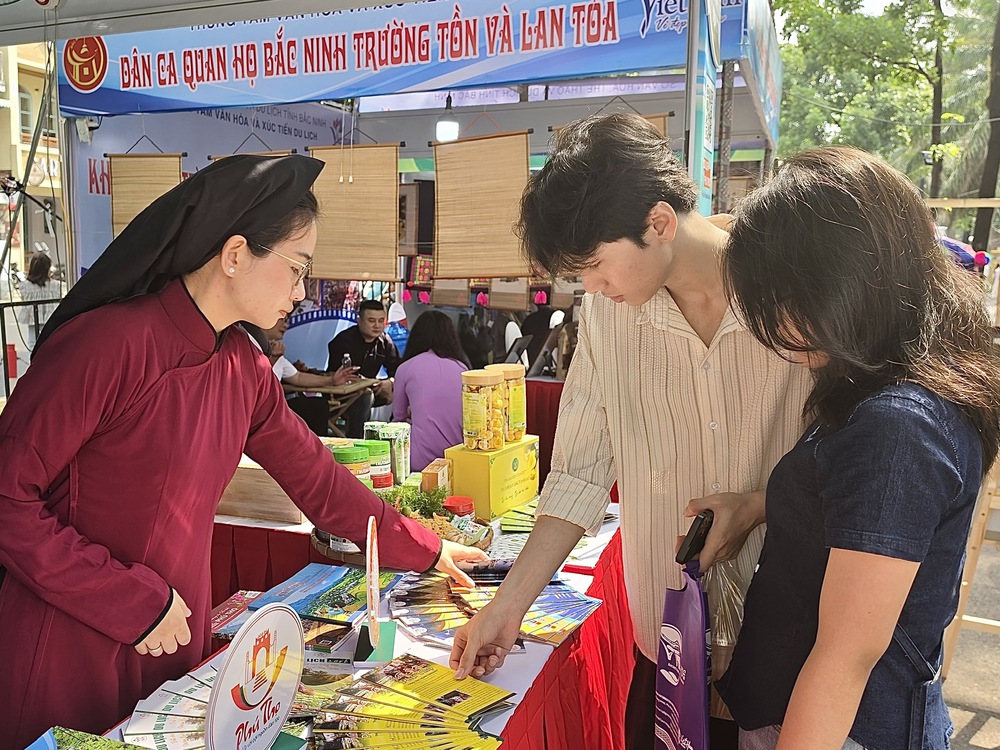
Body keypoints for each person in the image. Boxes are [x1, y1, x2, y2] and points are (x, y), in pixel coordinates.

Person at [0, 154, 488, 748]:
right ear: (235, 255)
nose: (302, 292)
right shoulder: (107, 346)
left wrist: (426, 548)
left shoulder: (244, 367)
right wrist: (128, 599)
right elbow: (7, 499)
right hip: (71, 644)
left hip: (174, 637)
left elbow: (318, 481)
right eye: (297, 268)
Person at [448, 113, 813, 749]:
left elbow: (848, 459)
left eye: (594, 265)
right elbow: (580, 475)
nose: (591, 287)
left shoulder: (792, 294)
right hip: (667, 649)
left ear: (660, 222)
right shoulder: (609, 321)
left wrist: (759, 507)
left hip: (787, 650)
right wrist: (505, 608)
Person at [711, 147, 1000, 750]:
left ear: (848, 283)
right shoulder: (885, 383)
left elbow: (846, 657)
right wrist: (757, 504)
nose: (779, 333)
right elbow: (855, 507)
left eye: (785, 304)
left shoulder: (897, 425)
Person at [392, 310, 469, 471]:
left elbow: (398, 419)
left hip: (418, 462)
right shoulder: (462, 368)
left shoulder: (406, 368)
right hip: (458, 458)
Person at [262, 315, 358, 436]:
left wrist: (332, 380)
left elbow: (298, 377)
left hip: (276, 408)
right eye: (282, 320)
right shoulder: (249, 347)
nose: (285, 325)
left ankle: (318, 447)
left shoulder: (276, 352)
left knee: (317, 405)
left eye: (286, 321)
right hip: (259, 412)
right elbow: (253, 381)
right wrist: (272, 360)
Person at [327, 299, 400, 437]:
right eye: (371, 320)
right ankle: (357, 441)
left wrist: (390, 383)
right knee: (366, 395)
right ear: (359, 320)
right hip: (342, 393)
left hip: (372, 389)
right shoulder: (344, 341)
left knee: (402, 390)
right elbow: (349, 376)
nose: (377, 326)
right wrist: (378, 383)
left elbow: (398, 370)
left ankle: (395, 438)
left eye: (381, 320)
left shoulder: (385, 340)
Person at [17, 252, 60, 350]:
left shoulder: (25, 286)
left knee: (32, 342)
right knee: (50, 341)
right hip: (50, 317)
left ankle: (34, 361)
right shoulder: (55, 285)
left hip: (32, 317)